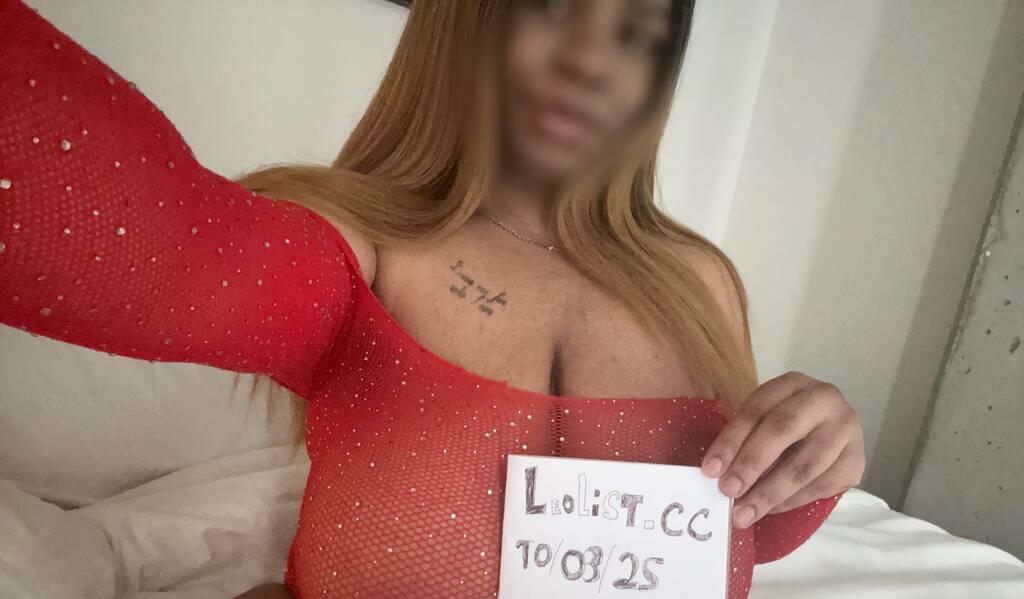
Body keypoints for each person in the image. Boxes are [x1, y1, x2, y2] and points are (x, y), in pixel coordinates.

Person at [0, 0, 865, 597]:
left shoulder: (699, 280)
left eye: (637, 34)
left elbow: (740, 527)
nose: (591, 64)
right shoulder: (366, 252)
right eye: (552, 8)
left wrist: (818, 463)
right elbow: (159, 255)